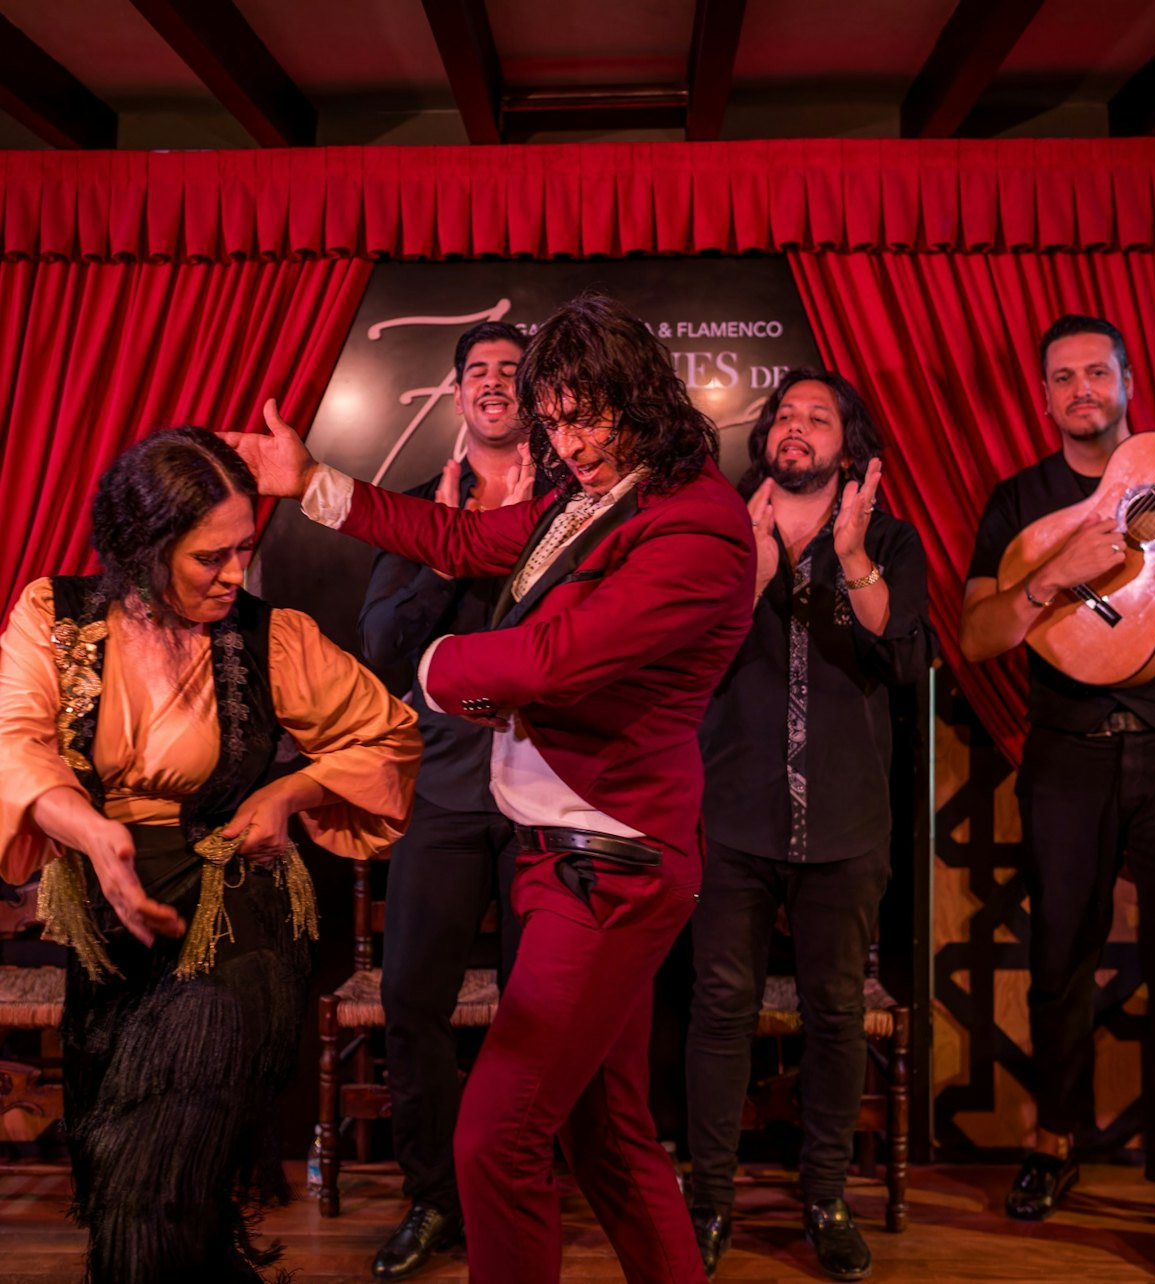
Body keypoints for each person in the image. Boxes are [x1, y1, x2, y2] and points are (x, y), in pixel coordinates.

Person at [228, 292, 757, 1284]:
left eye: (588, 413)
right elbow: (466, 543)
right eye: (556, 418)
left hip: (610, 865)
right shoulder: (600, 497)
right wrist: (313, 485)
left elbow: (559, 657)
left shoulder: (700, 528)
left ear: (640, 396)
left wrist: (431, 676)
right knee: (611, 1141)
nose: (572, 438)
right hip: (564, 853)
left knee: (496, 1140)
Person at [0, 428, 419, 1283]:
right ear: (141, 548)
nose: (234, 574)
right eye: (209, 557)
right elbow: (14, 739)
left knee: (155, 1177)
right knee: (129, 1177)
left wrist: (285, 793)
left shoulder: (274, 638)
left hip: (235, 924)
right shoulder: (55, 615)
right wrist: (92, 836)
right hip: (111, 938)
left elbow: (389, 735)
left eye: (244, 550)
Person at [960, 316, 1155, 1284]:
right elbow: (976, 634)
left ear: (1128, 381)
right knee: (1059, 963)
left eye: (1096, 371)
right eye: (1061, 377)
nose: (1080, 388)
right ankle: (1052, 1139)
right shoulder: (1020, 500)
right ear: (1045, 395)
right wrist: (1048, 579)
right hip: (1068, 754)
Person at [685, 369, 934, 1282]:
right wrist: (746, 577)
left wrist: (855, 553)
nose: (795, 429)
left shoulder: (891, 540)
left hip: (846, 821)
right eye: (784, 416)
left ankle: (825, 1198)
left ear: (847, 445)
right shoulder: (716, 534)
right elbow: (682, 663)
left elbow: (905, 658)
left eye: (816, 418)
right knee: (719, 1010)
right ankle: (707, 1202)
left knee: (836, 1016)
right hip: (731, 818)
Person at [359, 320, 532, 1280]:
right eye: (481, 372)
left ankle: (518, 1185)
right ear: (455, 392)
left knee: (539, 1009)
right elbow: (382, 645)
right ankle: (432, 1200)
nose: (497, 384)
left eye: (514, 371)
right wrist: (447, 549)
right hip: (446, 794)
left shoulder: (573, 507)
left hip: (551, 796)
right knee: (409, 1000)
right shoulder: (418, 508)